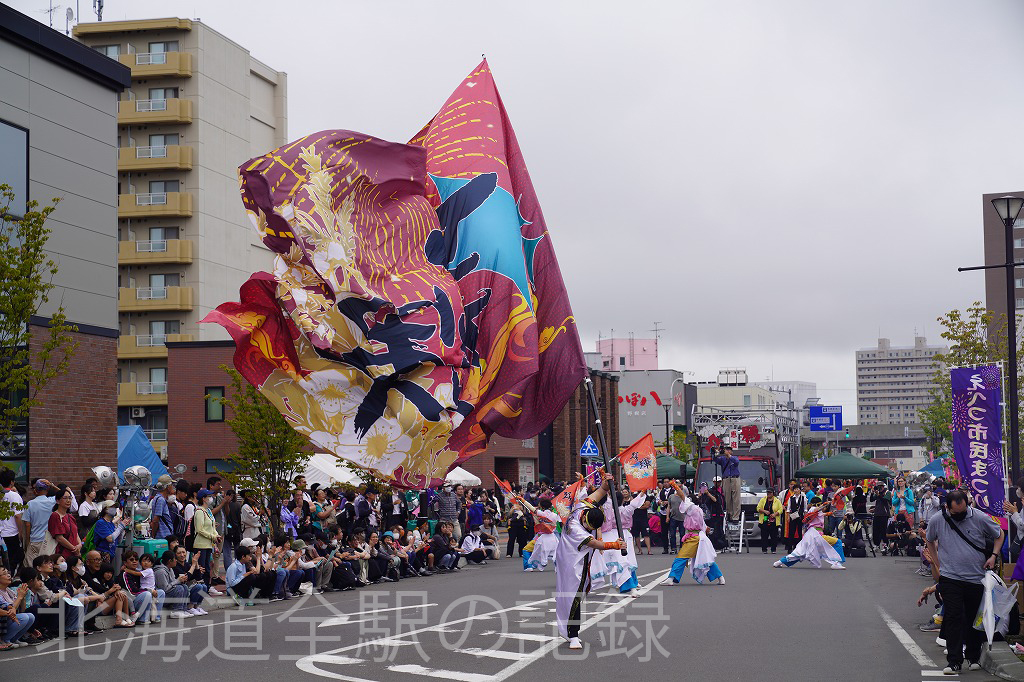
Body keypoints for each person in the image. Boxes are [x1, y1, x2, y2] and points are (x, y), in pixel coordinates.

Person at [926, 489, 1003, 675]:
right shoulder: (938, 519)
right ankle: (954, 661)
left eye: (963, 511)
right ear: (947, 507)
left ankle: (973, 656)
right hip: (950, 577)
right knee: (953, 616)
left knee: (973, 618)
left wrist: (994, 555)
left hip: (976, 577)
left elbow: (999, 534)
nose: (960, 515)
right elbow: (929, 541)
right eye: (956, 513)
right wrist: (938, 563)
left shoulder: (979, 517)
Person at [555, 472, 625, 650]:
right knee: (572, 596)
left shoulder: (583, 506)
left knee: (577, 595)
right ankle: (573, 635)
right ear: (586, 521)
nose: (590, 530)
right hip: (571, 563)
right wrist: (615, 545)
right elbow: (594, 543)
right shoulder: (576, 527)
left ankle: (571, 631)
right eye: (590, 527)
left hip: (582, 559)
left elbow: (601, 491)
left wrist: (606, 481)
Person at [661, 481, 725, 586]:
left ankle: (671, 578)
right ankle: (720, 577)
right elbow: (704, 526)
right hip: (698, 536)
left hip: (694, 538)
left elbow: (683, 496)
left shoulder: (692, 508)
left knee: (681, 557)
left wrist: (675, 486)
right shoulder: (698, 511)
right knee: (705, 559)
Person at [598, 487, 649, 595]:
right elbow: (635, 503)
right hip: (622, 534)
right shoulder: (626, 509)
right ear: (622, 500)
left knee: (620, 560)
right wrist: (642, 492)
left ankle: (621, 582)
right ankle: (629, 582)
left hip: (611, 534)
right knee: (626, 559)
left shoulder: (608, 509)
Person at [774, 497, 846, 570]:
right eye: (820, 503)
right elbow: (816, 510)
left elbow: (820, 514)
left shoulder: (815, 511)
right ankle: (838, 562)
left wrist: (829, 513)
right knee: (838, 542)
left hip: (811, 534)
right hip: (816, 535)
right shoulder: (813, 509)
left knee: (800, 552)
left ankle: (779, 562)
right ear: (818, 504)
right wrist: (826, 504)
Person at [192, 488, 222, 594]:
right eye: (209, 496)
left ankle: (206, 587)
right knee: (202, 568)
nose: (211, 498)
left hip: (208, 544)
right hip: (200, 544)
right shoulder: (199, 511)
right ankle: (201, 590)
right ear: (204, 499)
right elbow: (199, 529)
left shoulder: (208, 511)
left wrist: (216, 535)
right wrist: (212, 536)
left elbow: (212, 526)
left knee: (208, 568)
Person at [22, 479, 56, 567]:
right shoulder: (53, 501)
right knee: (47, 565)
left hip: (35, 539)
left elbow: (27, 524)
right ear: (47, 490)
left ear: (35, 490)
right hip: (48, 540)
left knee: (31, 565)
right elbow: (67, 493)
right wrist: (52, 485)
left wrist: (27, 541)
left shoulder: (30, 504)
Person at [521, 498, 559, 572]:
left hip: (541, 537)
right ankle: (558, 566)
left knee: (526, 550)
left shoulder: (541, 514)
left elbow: (531, 508)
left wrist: (523, 501)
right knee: (556, 553)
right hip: (553, 537)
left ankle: (528, 566)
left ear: (542, 507)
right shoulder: (555, 515)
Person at [49, 485, 82, 560]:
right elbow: (59, 538)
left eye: (70, 498)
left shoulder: (70, 516)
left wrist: (79, 545)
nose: (68, 500)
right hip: (62, 555)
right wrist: (74, 549)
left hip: (74, 553)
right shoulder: (55, 515)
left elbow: (75, 533)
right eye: (65, 498)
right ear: (57, 501)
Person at [0, 469, 24, 570]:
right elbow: (18, 516)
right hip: (11, 533)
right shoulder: (14, 496)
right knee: (11, 561)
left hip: (2, 533)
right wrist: (20, 532)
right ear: (11, 482)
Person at [715, 445, 741, 522]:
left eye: (729, 450)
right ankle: (729, 515)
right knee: (727, 498)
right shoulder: (722, 459)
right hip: (726, 479)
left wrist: (728, 455)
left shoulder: (734, 458)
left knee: (736, 498)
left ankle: (735, 517)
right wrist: (715, 452)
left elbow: (736, 462)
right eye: (727, 450)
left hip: (735, 478)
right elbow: (715, 460)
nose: (728, 451)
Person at [150, 475, 177, 540]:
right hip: (163, 535)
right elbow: (156, 520)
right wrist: (153, 535)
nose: (173, 487)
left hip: (162, 535)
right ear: (167, 487)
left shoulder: (157, 498)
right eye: (171, 485)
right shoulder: (161, 500)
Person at [757, 487, 783, 554]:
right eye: (767, 492)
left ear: (773, 493)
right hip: (764, 519)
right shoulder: (763, 500)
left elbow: (781, 509)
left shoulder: (777, 501)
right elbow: (758, 508)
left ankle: (773, 549)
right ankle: (764, 549)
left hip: (773, 520)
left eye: (770, 492)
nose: (768, 494)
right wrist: (764, 511)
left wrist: (775, 514)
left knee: (774, 536)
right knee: (764, 536)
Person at [782, 480, 806, 553]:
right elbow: (788, 508)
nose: (796, 490)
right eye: (795, 489)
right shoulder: (791, 498)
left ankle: (799, 547)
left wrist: (804, 517)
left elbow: (805, 508)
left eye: (797, 489)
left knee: (799, 532)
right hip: (792, 516)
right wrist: (788, 517)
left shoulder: (803, 498)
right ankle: (790, 548)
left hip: (800, 516)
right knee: (791, 532)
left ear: (800, 490)